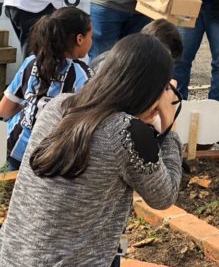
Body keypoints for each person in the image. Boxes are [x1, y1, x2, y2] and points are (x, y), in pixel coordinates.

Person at [0, 34, 183, 266]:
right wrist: (169, 128)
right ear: (150, 90)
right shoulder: (127, 132)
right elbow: (164, 196)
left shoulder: (58, 105)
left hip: (12, 256)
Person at [0, 7, 93, 170]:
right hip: (52, 158)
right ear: (80, 39)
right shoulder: (83, 75)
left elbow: (4, 110)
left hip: (14, 147)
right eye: (91, 36)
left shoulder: (31, 62)